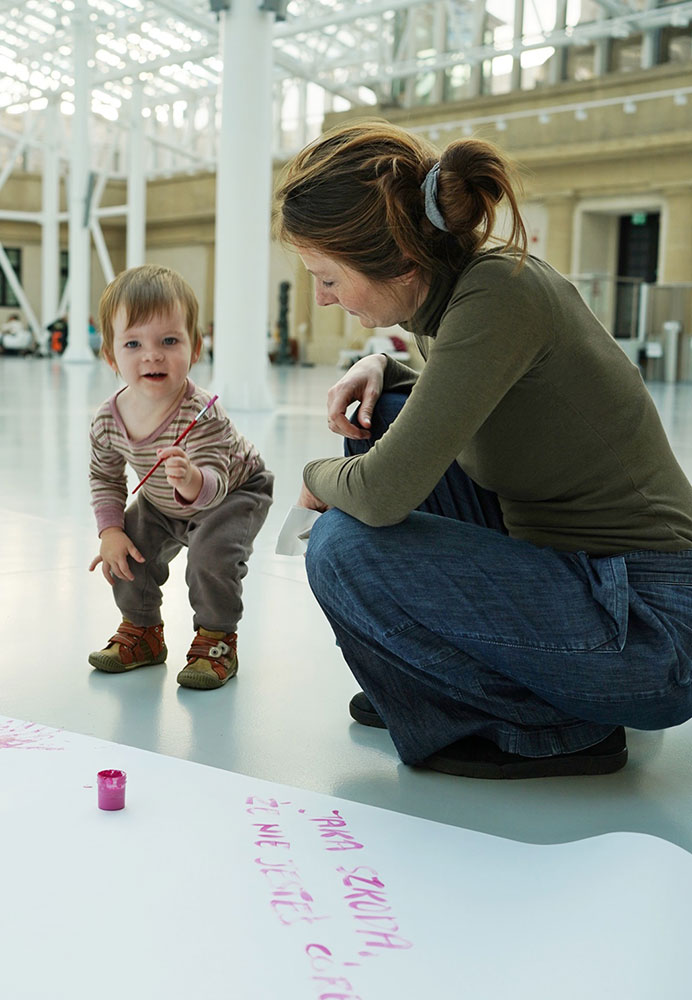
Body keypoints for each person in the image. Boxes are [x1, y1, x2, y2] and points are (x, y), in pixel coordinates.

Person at [273, 121, 692, 779]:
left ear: (399, 261)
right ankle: (457, 693)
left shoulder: (498, 294)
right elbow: (483, 391)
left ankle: (544, 725)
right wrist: (384, 365)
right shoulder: (459, 290)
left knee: (343, 547)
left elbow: (381, 496)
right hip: (587, 577)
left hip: (653, 629)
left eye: (328, 278)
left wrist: (312, 476)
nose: (324, 297)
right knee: (379, 415)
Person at [88, 265, 273, 689]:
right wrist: (110, 530)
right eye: (133, 343)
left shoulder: (202, 412)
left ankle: (216, 639)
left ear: (195, 348)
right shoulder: (107, 419)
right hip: (160, 499)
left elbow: (215, 481)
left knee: (211, 556)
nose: (152, 354)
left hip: (232, 493)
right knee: (127, 552)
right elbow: (105, 476)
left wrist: (190, 478)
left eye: (169, 341)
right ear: (112, 356)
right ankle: (143, 632)